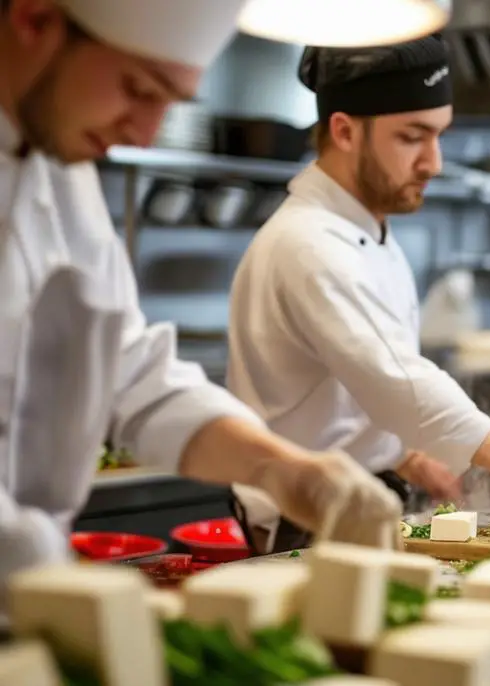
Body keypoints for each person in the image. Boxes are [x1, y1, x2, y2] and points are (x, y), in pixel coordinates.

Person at [0, 0, 406, 605]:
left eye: (171, 102)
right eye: (137, 88)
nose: (142, 133)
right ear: (34, 20)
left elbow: (132, 373)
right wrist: (24, 553)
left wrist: (280, 467)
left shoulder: (64, 175)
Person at [225, 36, 490, 553]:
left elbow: (350, 385)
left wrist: (406, 454)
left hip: (349, 494)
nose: (433, 162)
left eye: (438, 136)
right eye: (412, 137)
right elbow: (391, 374)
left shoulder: (365, 231)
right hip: (303, 512)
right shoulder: (310, 242)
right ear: (344, 131)